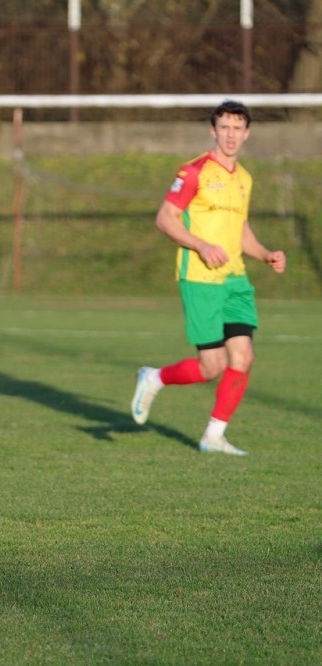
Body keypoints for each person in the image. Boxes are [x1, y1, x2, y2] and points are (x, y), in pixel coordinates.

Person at [131, 100, 286, 455]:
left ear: (247, 134)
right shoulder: (194, 172)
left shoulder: (244, 178)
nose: (231, 135)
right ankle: (154, 377)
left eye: (237, 128)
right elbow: (165, 218)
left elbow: (240, 229)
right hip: (201, 279)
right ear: (213, 130)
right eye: (225, 127)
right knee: (212, 366)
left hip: (236, 280)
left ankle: (213, 436)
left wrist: (265, 254)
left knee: (243, 357)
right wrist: (200, 245)